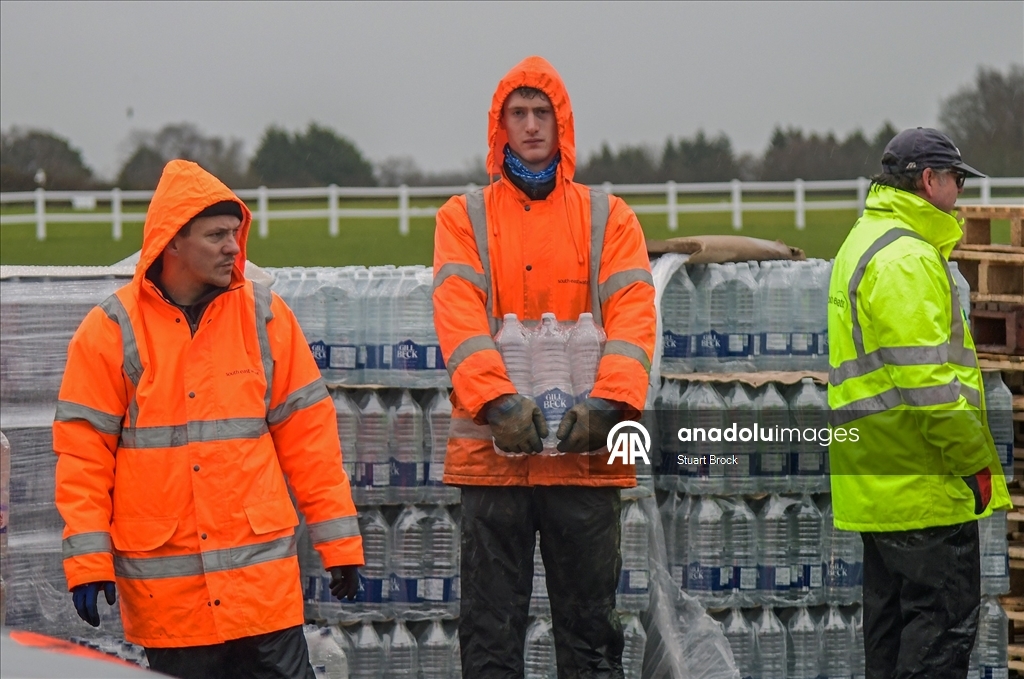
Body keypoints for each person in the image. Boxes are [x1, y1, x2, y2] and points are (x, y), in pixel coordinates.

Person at [53, 160, 364, 678]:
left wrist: (341, 544)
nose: (234, 248)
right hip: (174, 605)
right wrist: (87, 560)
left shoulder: (266, 316)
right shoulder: (111, 330)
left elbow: (311, 442)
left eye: (236, 234)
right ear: (171, 243)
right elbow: (82, 456)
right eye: (217, 235)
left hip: (262, 597)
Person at [433, 56, 656, 678]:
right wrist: (499, 404)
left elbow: (634, 317)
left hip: (584, 458)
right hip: (492, 462)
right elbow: (458, 315)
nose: (531, 126)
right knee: (489, 639)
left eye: (543, 114)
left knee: (590, 639)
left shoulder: (607, 217)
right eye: (518, 114)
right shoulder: (465, 217)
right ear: (498, 126)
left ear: (564, 126)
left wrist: (610, 406)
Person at [827, 127, 1011, 679]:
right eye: (956, 179)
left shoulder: (863, 240)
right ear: (928, 180)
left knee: (888, 640)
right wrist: (975, 463)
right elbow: (930, 386)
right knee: (938, 639)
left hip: (877, 483)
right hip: (923, 484)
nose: (961, 192)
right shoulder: (906, 258)